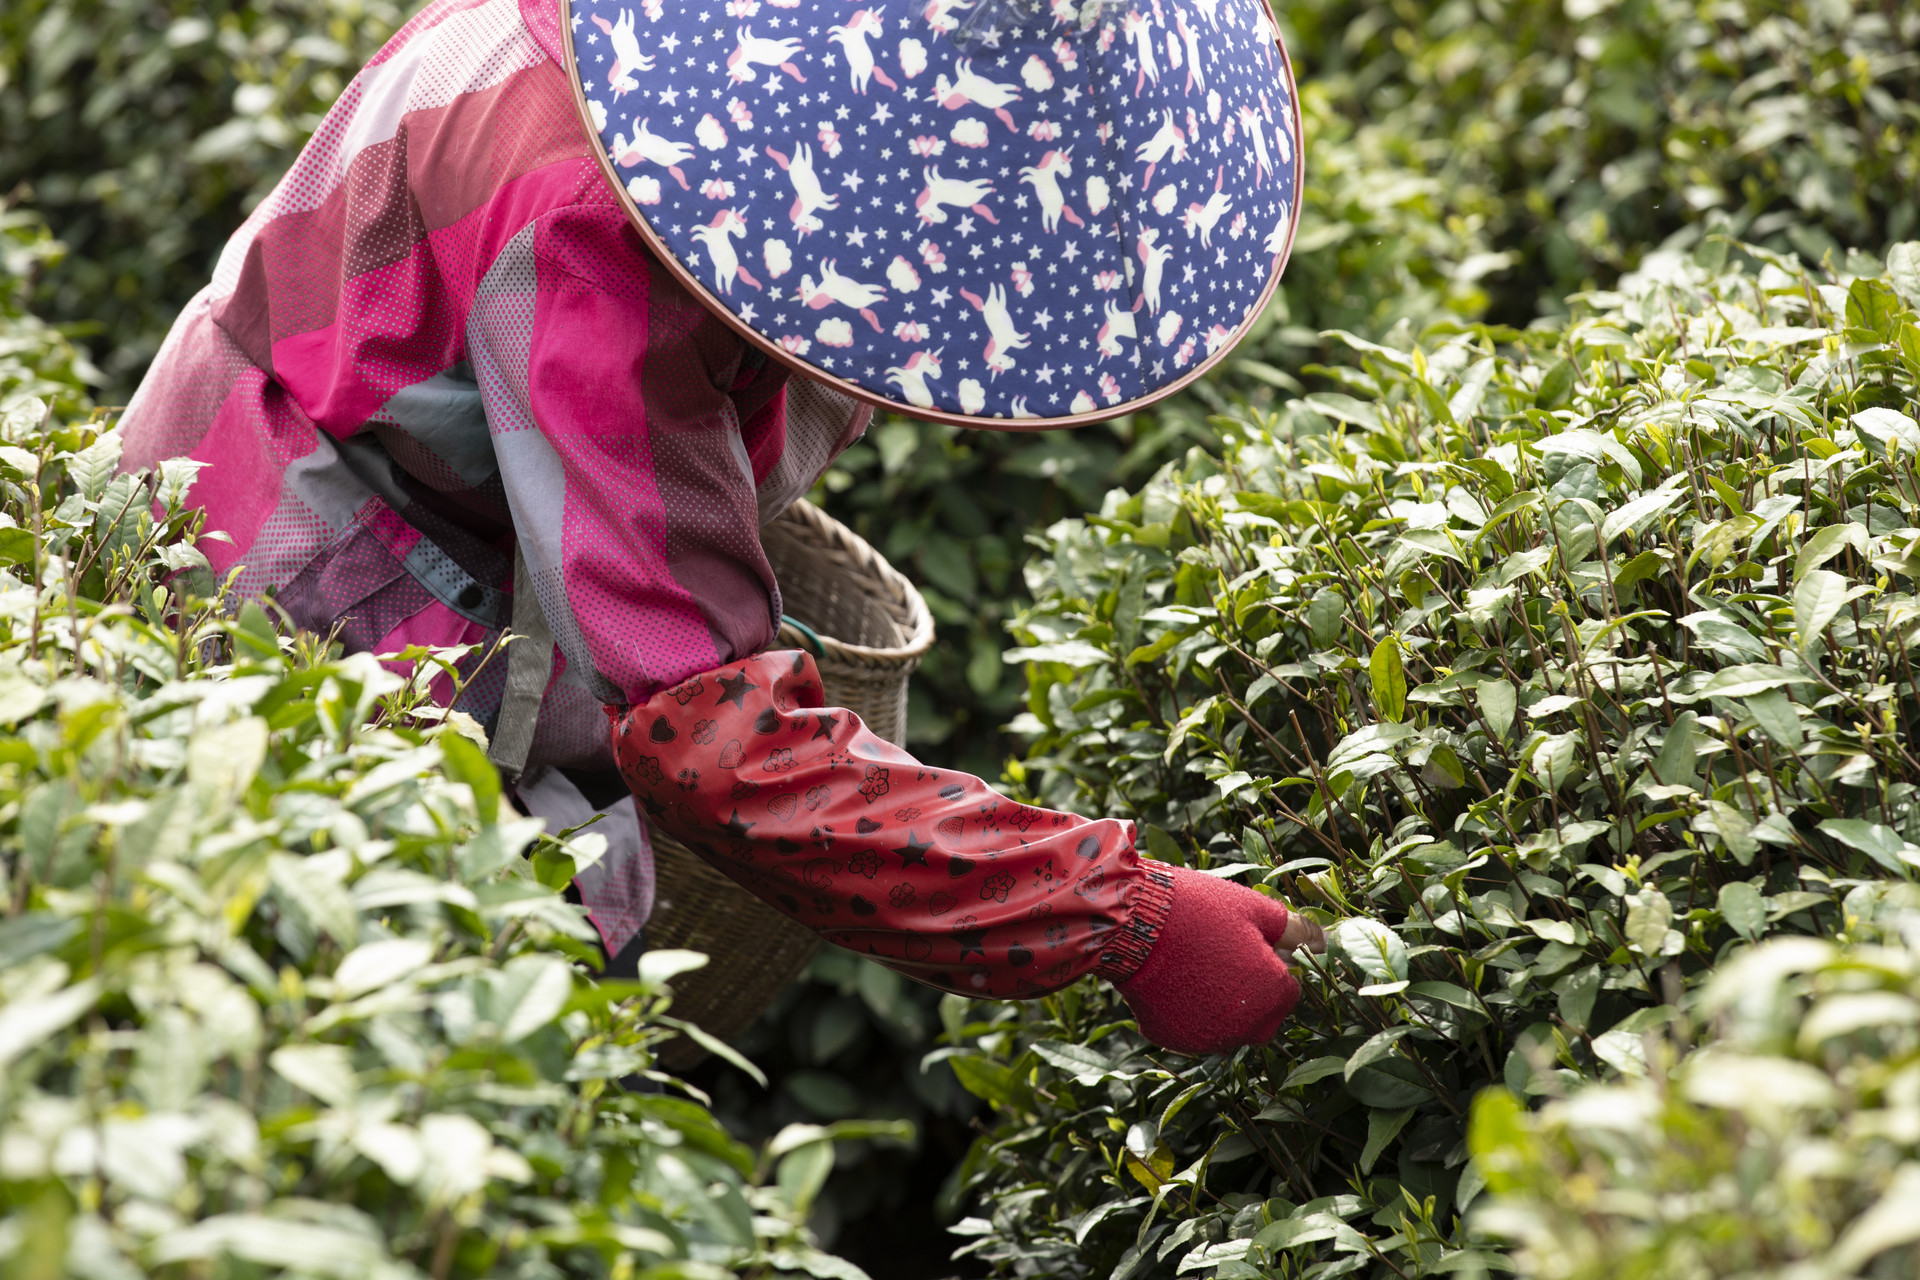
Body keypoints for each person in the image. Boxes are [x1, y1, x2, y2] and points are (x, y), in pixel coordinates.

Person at [120, 0, 1317, 1055]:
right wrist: (1125, 913)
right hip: (307, 558)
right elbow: (716, 738)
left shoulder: (677, 64)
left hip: (373, 453)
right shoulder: (600, 230)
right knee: (388, 1004)